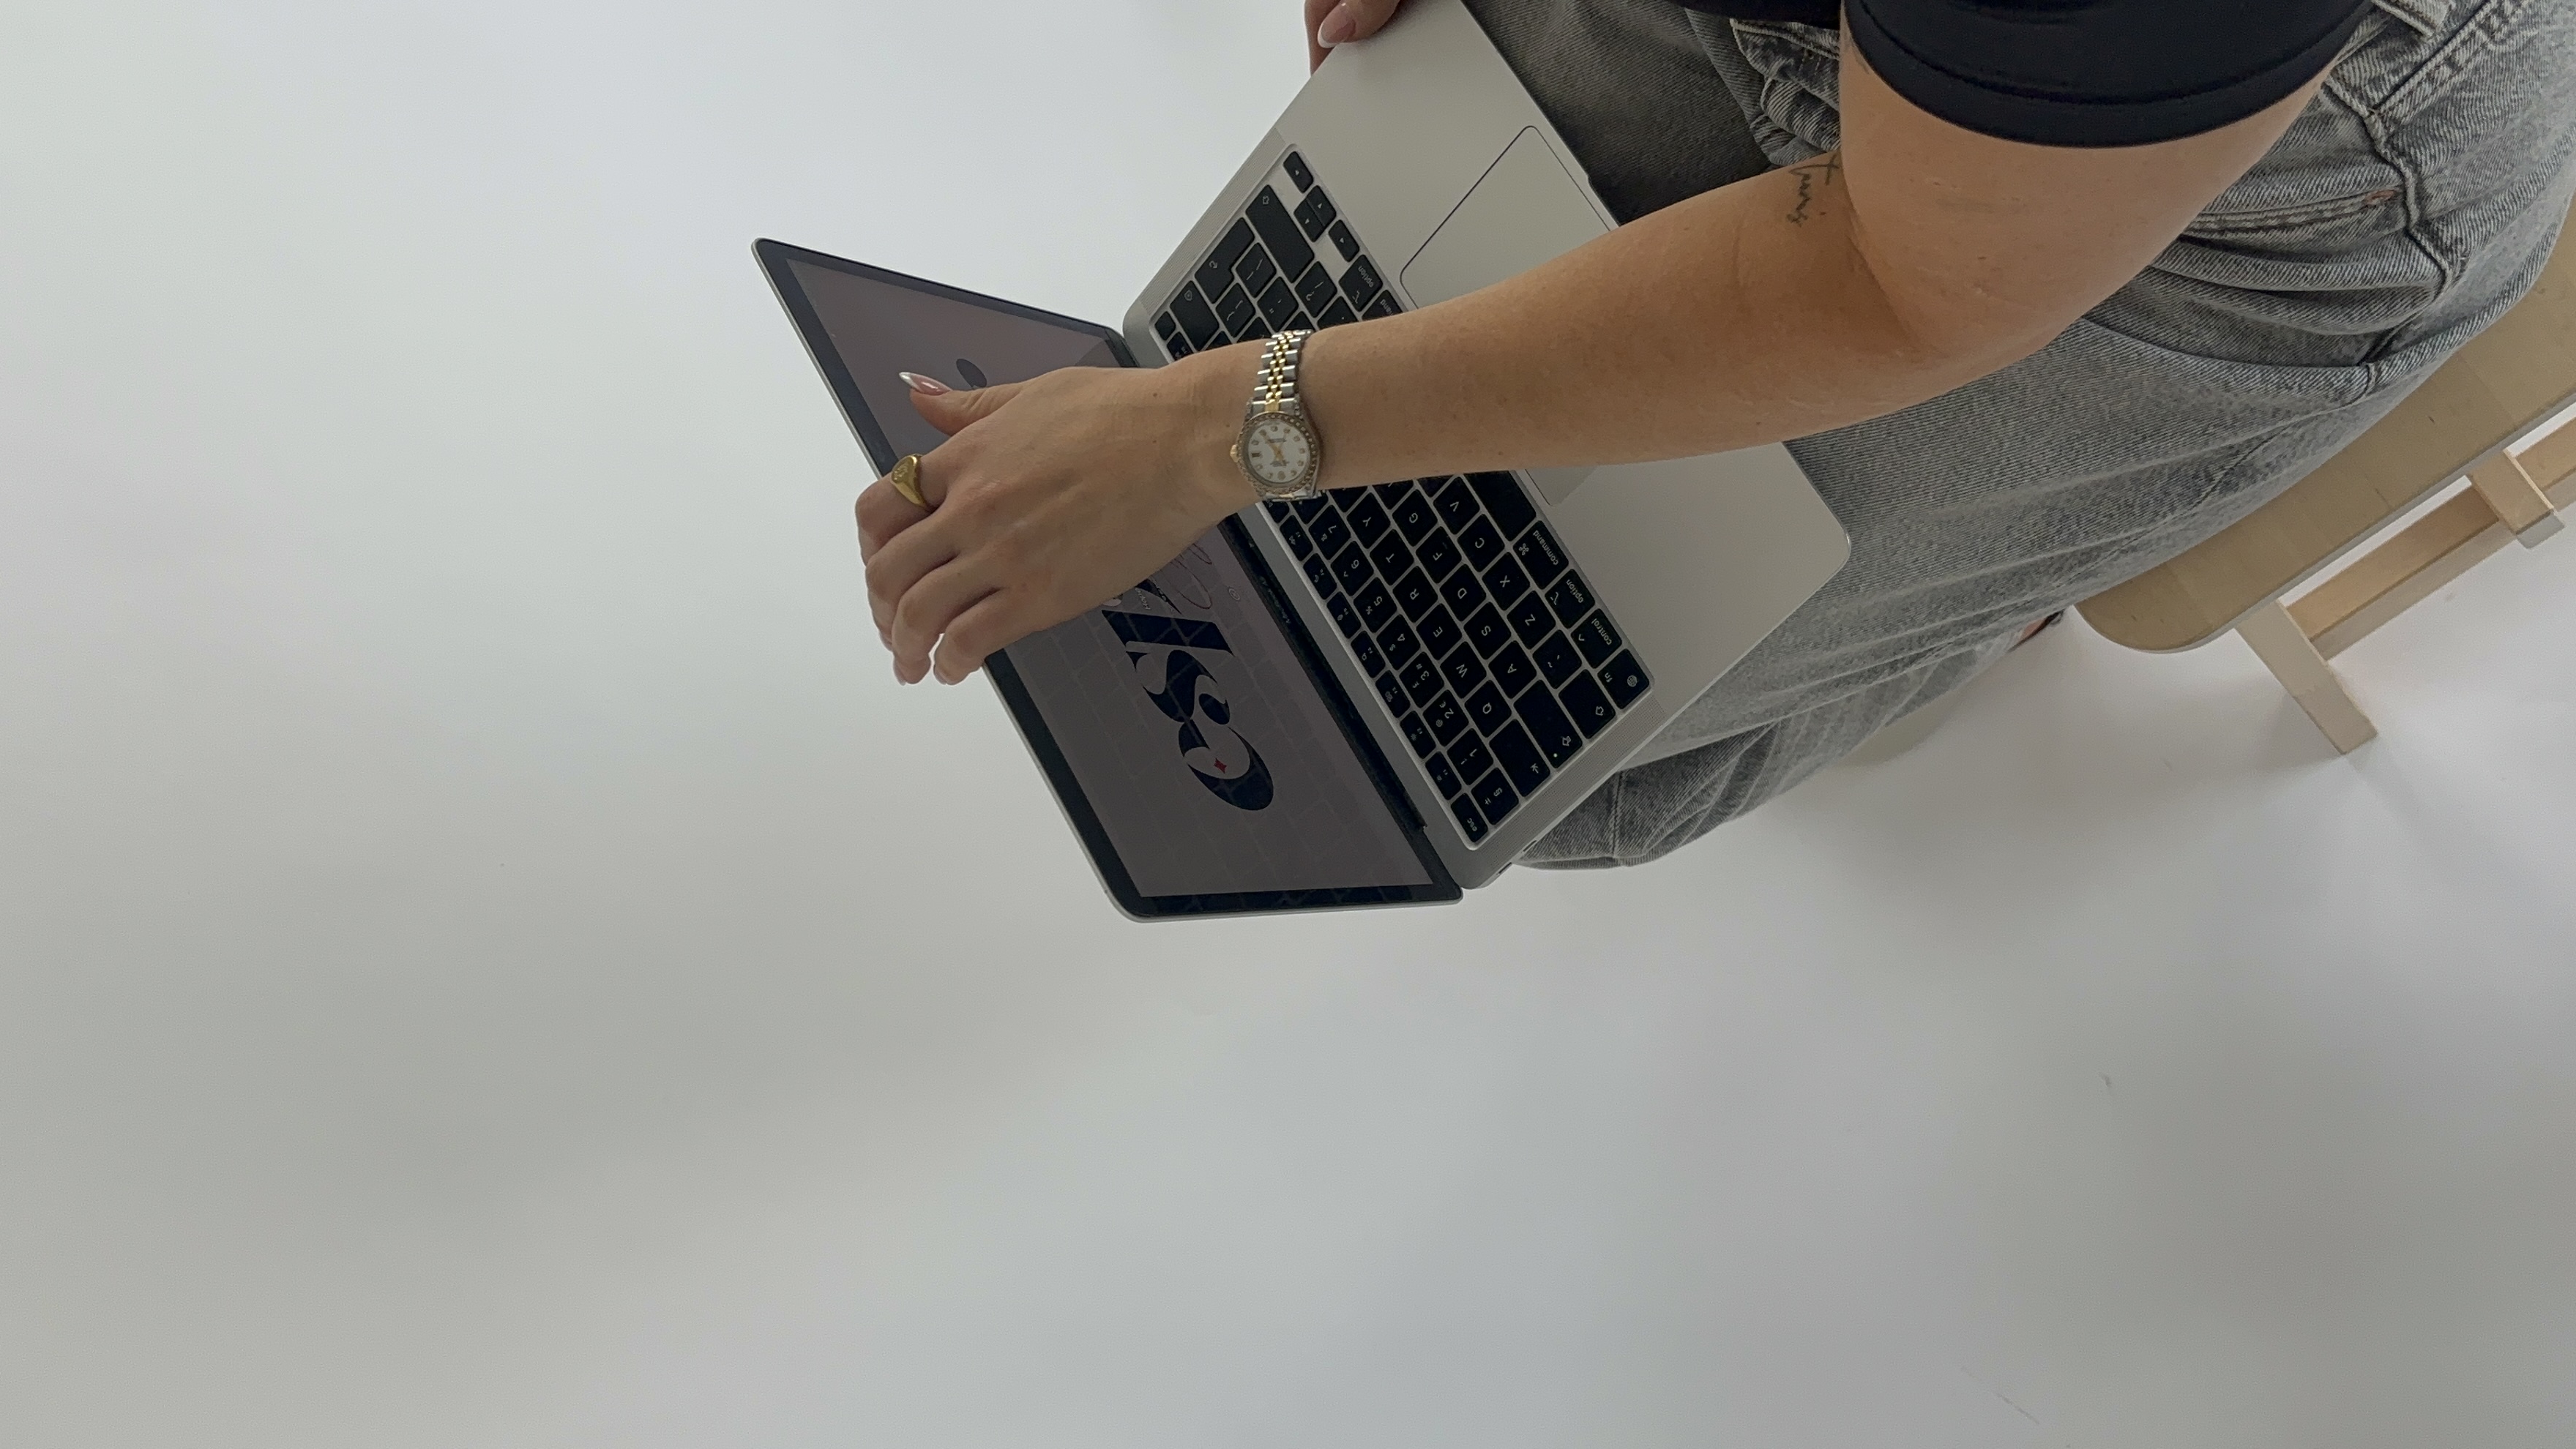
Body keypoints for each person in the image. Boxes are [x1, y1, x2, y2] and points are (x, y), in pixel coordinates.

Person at [857, 0, 2576, 869]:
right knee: (1361, 332)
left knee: (1551, 747)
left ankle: (1993, 600)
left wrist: (1218, 429)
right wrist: (1224, 424)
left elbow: (1895, 292)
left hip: (2257, 211)